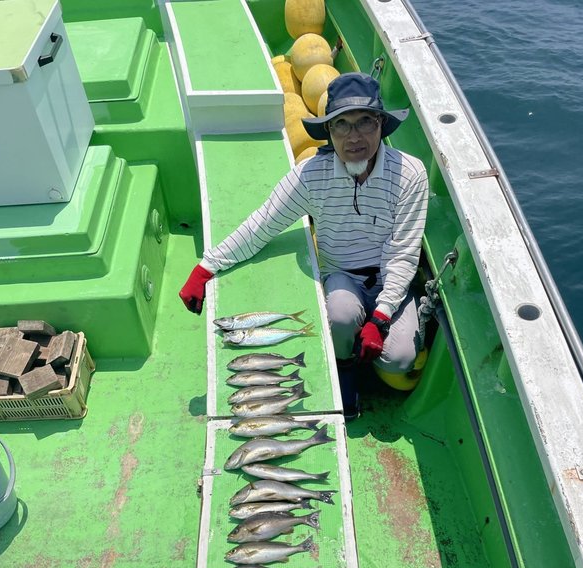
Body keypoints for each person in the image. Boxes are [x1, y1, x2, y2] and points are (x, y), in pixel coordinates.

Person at [179, 72, 428, 418]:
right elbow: (262, 224)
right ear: (328, 132)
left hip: (391, 280)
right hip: (341, 274)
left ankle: (371, 339)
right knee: (341, 315)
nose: (354, 137)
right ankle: (346, 367)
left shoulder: (411, 175)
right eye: (341, 124)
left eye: (365, 123)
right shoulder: (311, 175)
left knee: (400, 360)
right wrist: (205, 268)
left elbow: (403, 255)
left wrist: (381, 318)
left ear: (381, 126)